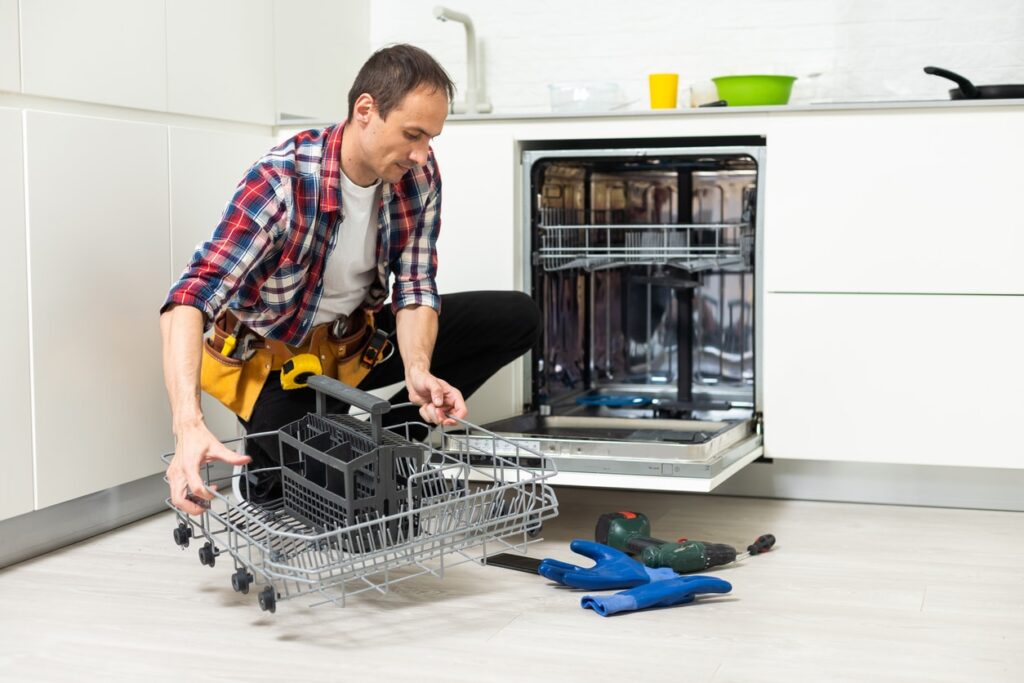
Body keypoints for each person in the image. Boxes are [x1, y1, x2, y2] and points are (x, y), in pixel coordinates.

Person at [160, 44, 539, 515]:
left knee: (518, 316)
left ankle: (391, 449)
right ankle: (264, 475)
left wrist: (417, 369)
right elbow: (188, 299)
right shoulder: (282, 181)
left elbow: (416, 287)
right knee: (375, 516)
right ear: (365, 111)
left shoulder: (416, 176)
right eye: (413, 135)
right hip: (281, 364)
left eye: (431, 139)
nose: (422, 155)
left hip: (351, 343)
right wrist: (187, 424)